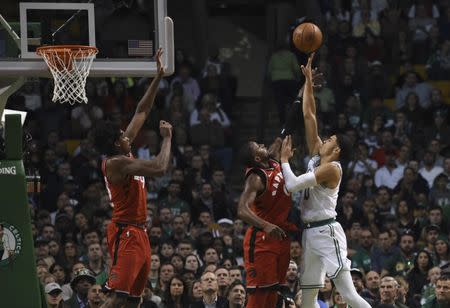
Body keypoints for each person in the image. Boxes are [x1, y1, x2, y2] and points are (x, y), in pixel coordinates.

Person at [280, 53, 371, 308]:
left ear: (337, 149)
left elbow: (292, 185)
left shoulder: (332, 169)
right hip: (310, 233)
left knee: (349, 295)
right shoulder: (318, 155)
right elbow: (309, 114)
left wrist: (284, 160)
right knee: (308, 296)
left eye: (330, 139)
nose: (325, 138)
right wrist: (308, 81)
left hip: (327, 230)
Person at [94, 48, 173, 308]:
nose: (128, 136)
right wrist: (167, 140)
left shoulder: (122, 153)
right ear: (116, 144)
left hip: (139, 231)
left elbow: (141, 111)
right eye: (123, 136)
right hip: (125, 231)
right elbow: (160, 167)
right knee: (117, 297)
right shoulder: (117, 163)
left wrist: (158, 77)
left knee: (134, 300)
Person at [237, 133, 298, 307]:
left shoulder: (271, 161)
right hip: (261, 240)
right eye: (259, 146)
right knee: (259, 295)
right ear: (257, 157)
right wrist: (266, 225)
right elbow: (241, 209)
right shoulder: (255, 178)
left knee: (273, 292)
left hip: (280, 235)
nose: (263, 144)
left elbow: (277, 141)